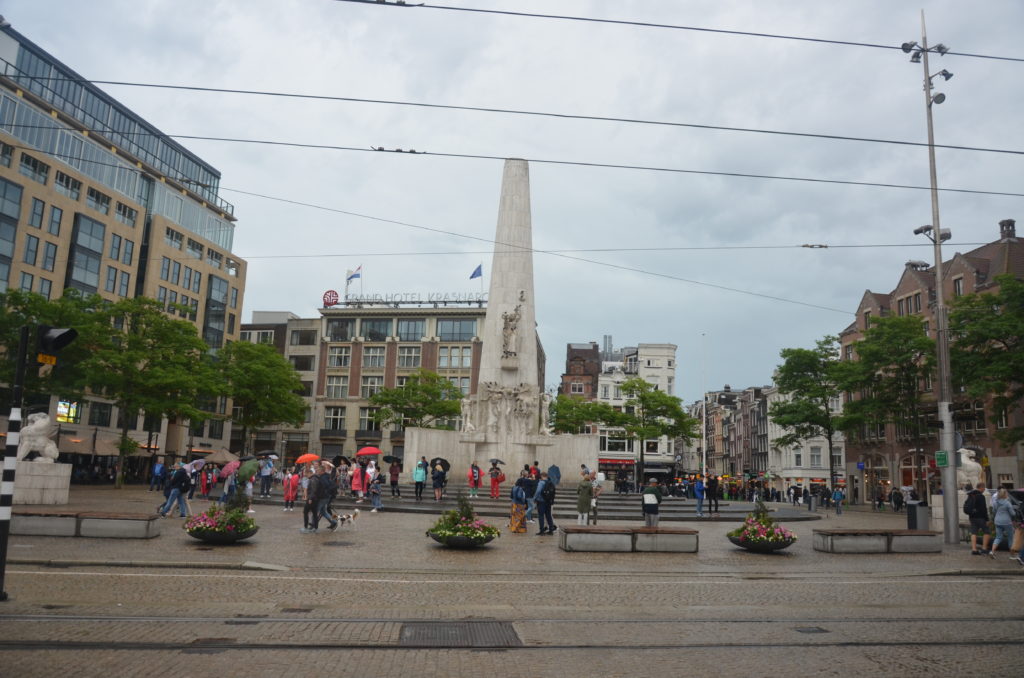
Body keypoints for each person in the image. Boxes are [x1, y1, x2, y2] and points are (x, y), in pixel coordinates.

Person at [989, 488, 1018, 559]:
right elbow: (1013, 513)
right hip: (1007, 522)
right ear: (1005, 494)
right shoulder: (1007, 503)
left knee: (998, 537)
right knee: (1011, 538)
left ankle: (992, 551)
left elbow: (993, 512)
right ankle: (1012, 555)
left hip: (997, 521)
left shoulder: (995, 502)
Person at [964, 481, 991, 555]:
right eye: (984, 488)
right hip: (980, 517)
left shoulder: (971, 495)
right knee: (987, 531)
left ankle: (974, 549)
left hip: (972, 517)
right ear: (981, 487)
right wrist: (987, 519)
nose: (984, 489)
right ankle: (984, 548)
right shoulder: (981, 496)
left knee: (974, 532)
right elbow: (983, 509)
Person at [533, 471, 557, 535]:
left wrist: (534, 498)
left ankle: (542, 530)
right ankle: (551, 530)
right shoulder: (550, 482)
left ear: (542, 476)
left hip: (541, 501)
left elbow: (538, 491)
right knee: (548, 515)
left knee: (541, 516)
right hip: (548, 501)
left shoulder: (541, 482)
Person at [300, 466, 316, 532]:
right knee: (314, 513)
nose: (305, 475)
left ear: (309, 473)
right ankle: (315, 527)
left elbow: (312, 490)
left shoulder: (312, 480)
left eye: (306, 473)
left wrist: (310, 499)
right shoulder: (312, 479)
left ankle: (306, 527)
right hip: (313, 498)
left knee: (305, 512)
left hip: (311, 499)